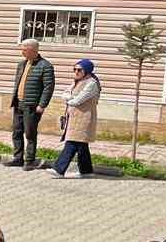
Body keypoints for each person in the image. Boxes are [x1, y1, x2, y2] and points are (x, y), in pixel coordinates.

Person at [7, 38, 55, 170]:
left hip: (32, 106)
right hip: (18, 103)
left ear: (32, 50)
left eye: (24, 49)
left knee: (30, 133)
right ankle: (18, 158)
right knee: (16, 132)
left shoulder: (46, 66)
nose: (22, 52)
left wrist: (42, 105)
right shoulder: (21, 64)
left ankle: (29, 160)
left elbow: (48, 87)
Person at [53, 58, 101, 179]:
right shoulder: (76, 81)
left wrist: (70, 98)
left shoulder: (92, 83)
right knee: (81, 145)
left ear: (87, 70)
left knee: (72, 143)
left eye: (79, 70)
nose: (76, 72)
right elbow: (63, 94)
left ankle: (59, 169)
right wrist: (70, 97)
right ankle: (86, 171)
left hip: (85, 118)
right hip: (74, 118)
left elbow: (78, 100)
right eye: (74, 69)